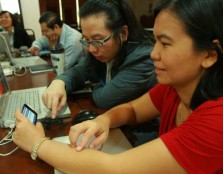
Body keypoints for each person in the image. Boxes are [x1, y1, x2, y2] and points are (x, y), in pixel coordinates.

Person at [14, 0, 223, 173]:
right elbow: (132, 109)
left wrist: (37, 144)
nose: (153, 54)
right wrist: (104, 120)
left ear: (209, 55)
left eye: (165, 44)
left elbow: (113, 168)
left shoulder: (216, 122)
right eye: (155, 41)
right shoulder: (175, 88)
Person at [41, 0, 156, 118]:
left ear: (123, 33)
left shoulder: (143, 59)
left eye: (98, 40)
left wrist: (92, 86)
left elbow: (103, 99)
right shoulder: (103, 51)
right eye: (86, 39)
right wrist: (59, 82)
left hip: (140, 131)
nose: (91, 49)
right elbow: (78, 71)